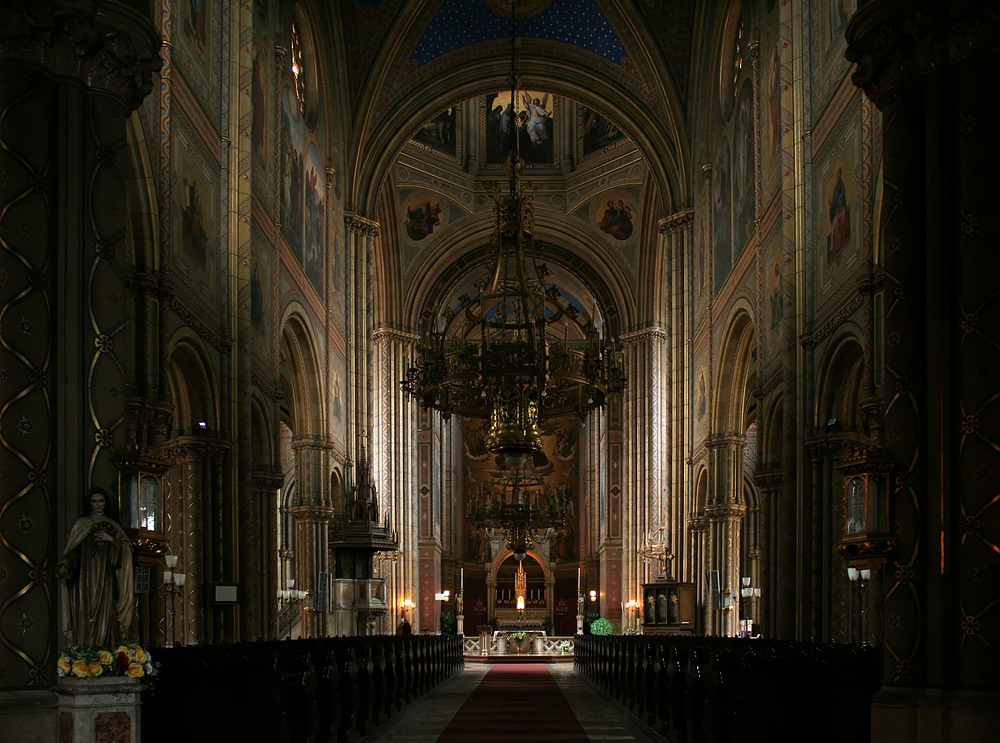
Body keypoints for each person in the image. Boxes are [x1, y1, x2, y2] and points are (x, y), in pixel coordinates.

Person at [56, 488, 135, 647]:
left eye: (101, 501)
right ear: (89, 503)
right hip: (84, 580)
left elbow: (127, 549)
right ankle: (85, 652)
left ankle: (105, 650)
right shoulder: (82, 525)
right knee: (84, 615)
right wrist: (66, 564)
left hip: (106, 579)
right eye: (94, 501)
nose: (98, 505)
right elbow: (73, 551)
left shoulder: (113, 525)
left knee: (106, 615)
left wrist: (111, 539)